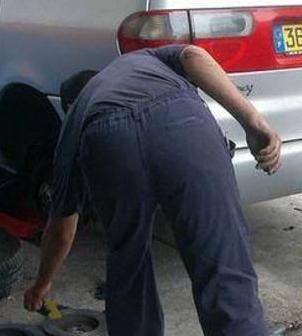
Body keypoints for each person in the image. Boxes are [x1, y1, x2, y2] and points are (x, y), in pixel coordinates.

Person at [23, 45, 282, 336]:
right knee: (224, 266)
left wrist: (41, 284)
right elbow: (194, 56)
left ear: (69, 104)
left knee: (128, 262)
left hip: (108, 138)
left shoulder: (75, 119)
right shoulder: (141, 60)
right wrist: (253, 122)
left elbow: (62, 228)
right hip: (183, 123)